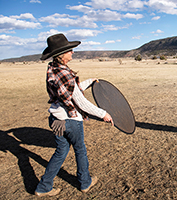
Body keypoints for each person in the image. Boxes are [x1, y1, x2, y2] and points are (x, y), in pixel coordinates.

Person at [35, 33, 114, 197]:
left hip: (57, 120)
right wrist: (103, 114)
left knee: (60, 152)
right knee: (80, 150)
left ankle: (43, 187)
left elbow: (72, 91)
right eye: (70, 50)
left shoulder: (53, 69)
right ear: (61, 54)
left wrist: (90, 81)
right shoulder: (65, 74)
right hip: (71, 121)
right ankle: (85, 182)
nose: (73, 53)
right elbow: (80, 102)